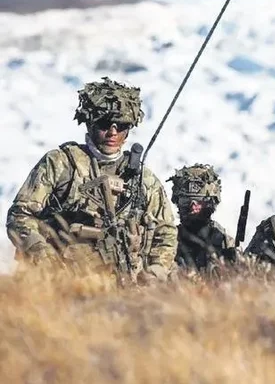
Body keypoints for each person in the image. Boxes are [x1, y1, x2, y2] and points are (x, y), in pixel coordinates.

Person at [6, 77, 177, 284]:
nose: (113, 132)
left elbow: (165, 232)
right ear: (89, 122)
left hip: (125, 285)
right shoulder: (62, 163)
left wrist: (155, 271)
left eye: (121, 125)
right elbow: (20, 216)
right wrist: (45, 259)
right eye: (105, 123)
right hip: (58, 282)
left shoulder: (143, 179)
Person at [168, 163, 236, 276]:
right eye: (185, 201)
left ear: (211, 203)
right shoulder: (167, 241)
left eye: (199, 202)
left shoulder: (224, 242)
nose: (193, 208)